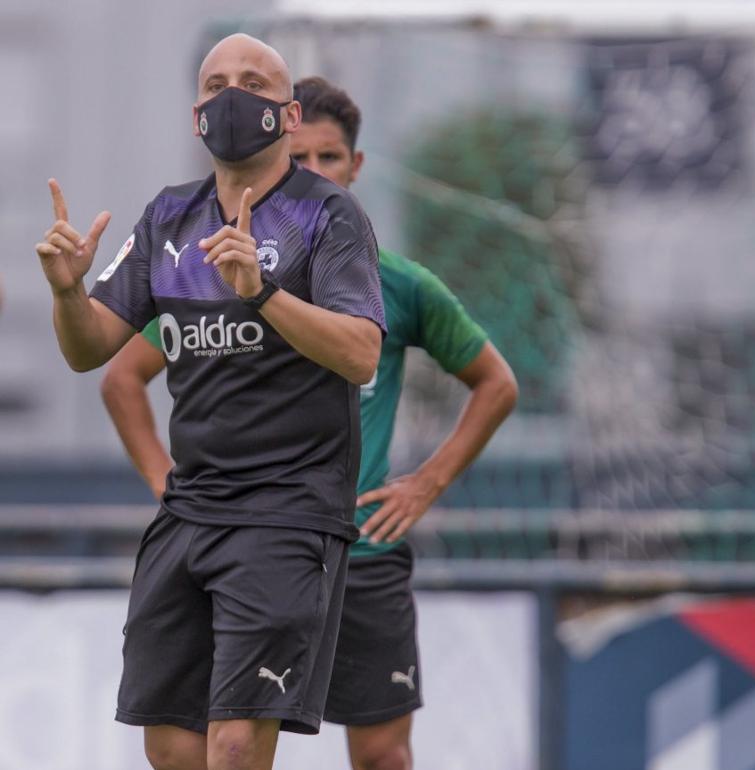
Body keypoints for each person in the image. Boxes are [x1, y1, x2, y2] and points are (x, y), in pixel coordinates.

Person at [100, 75, 518, 770]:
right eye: (304, 158)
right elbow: (117, 373)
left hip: (362, 551)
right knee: (211, 745)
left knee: (382, 755)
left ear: (355, 168)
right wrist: (164, 482)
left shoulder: (402, 285)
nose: (316, 170)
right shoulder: (219, 273)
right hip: (259, 531)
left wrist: (425, 483)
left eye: (331, 158)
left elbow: (495, 383)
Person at [36, 35, 387, 770]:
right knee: (171, 747)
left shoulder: (330, 216)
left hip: (287, 512)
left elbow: (360, 353)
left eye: (253, 82)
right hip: (190, 512)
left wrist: (261, 294)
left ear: (288, 115)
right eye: (217, 83)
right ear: (197, 113)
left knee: (233, 745)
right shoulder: (169, 217)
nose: (233, 95)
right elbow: (88, 349)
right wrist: (69, 291)